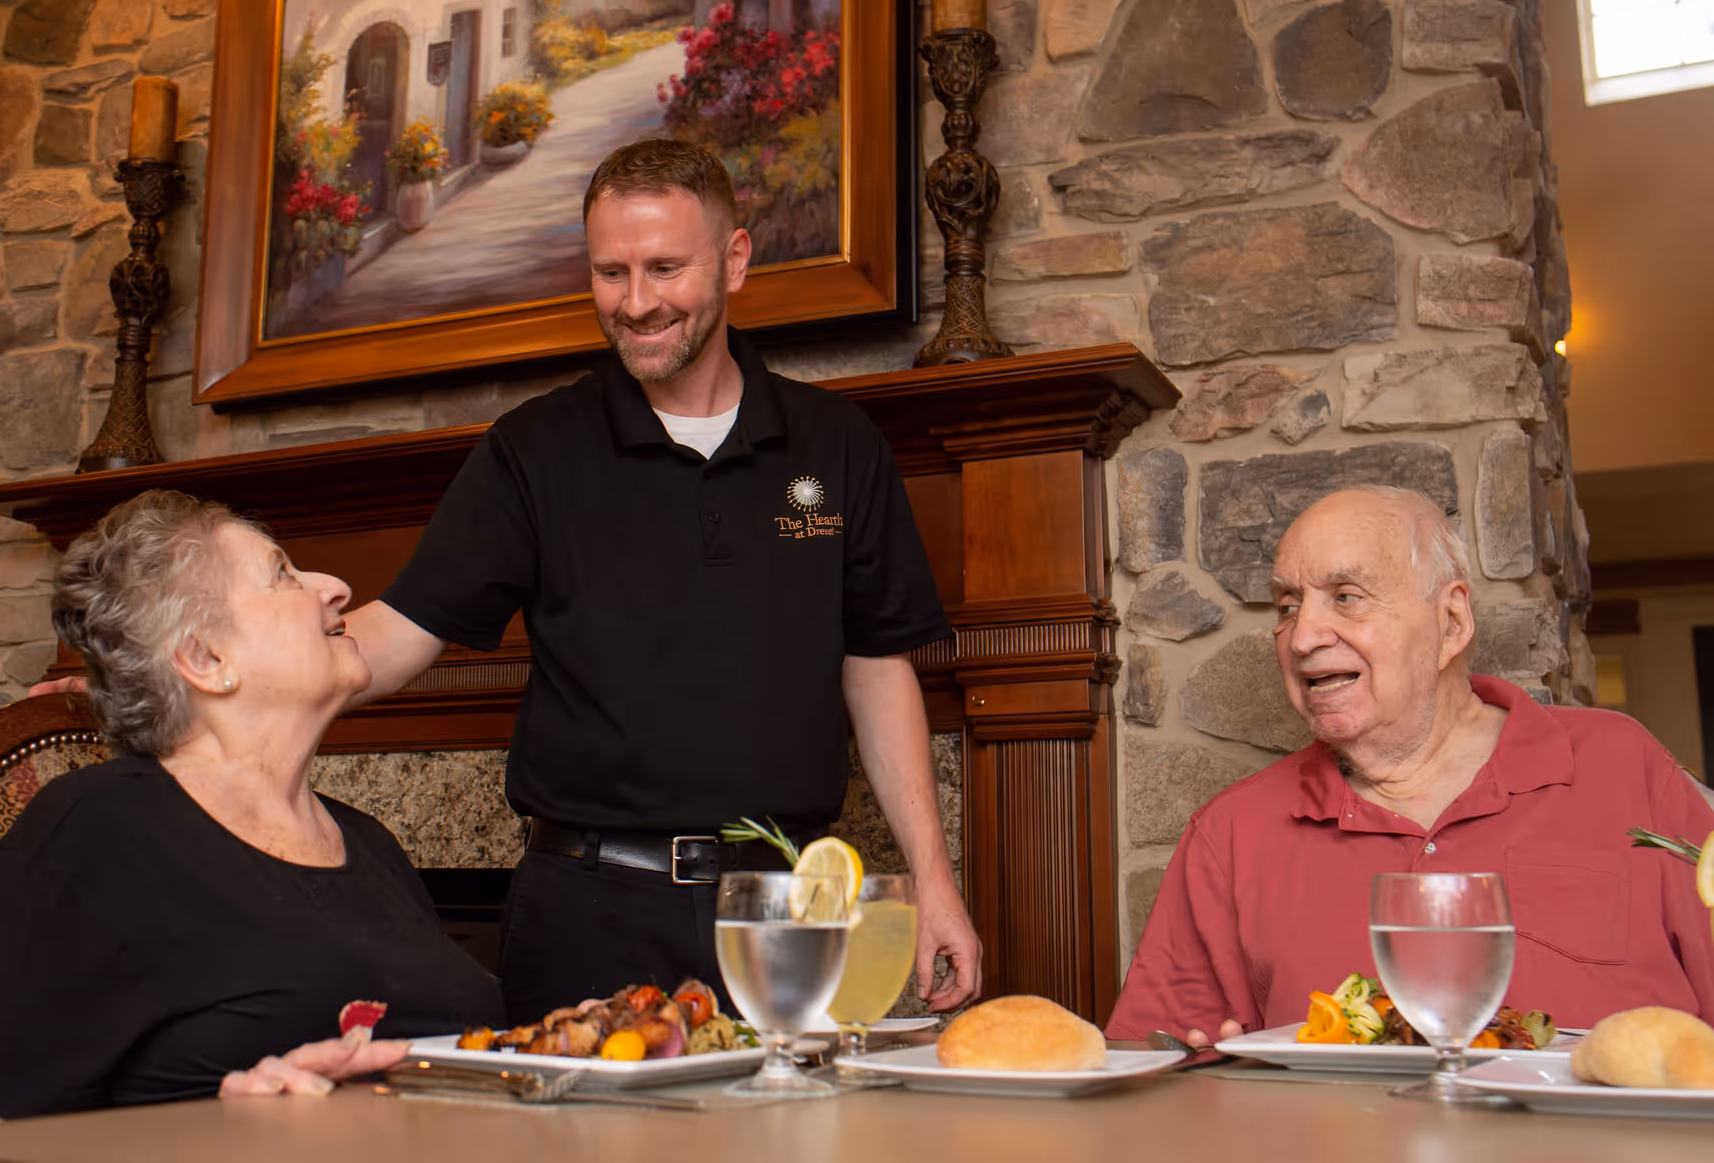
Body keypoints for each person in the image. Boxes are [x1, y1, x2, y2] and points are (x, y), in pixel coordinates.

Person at [336, 139, 982, 1020]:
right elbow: (399, 633)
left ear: (736, 260)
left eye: (666, 268)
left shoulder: (839, 446)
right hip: (586, 914)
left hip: (785, 913)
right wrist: (204, 688)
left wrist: (934, 885)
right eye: (611, 273)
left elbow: (876, 668)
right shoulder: (533, 451)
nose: (637, 304)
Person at [0, 490, 503, 1123]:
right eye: (282, 573)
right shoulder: (97, 832)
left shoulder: (368, 842)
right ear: (207, 658)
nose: (338, 588)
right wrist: (221, 1130)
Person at [1105, 486, 1714, 1045]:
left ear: (1450, 623)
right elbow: (1153, 1065)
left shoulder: (1624, 766)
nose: (1302, 636)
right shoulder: (1230, 834)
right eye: (1288, 605)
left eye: (1347, 597)